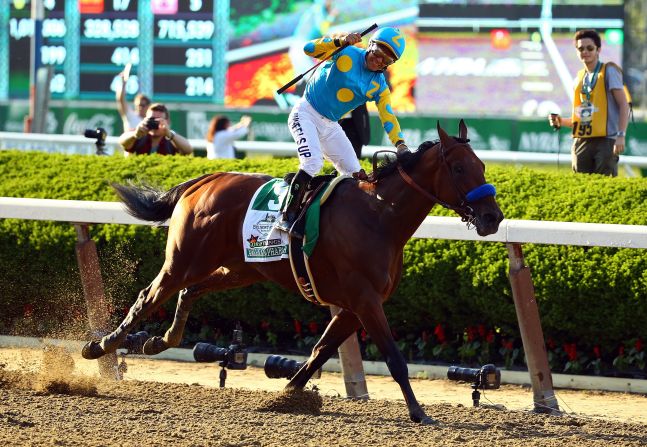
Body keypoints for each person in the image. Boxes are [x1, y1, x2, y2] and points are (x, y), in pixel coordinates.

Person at [276, 27, 409, 234]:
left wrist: (400, 144)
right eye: (378, 54)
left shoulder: (379, 86)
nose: (379, 61)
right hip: (305, 113)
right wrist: (339, 42)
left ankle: (327, 207)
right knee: (312, 162)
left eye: (387, 61)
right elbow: (308, 48)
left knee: (357, 176)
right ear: (371, 45)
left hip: (330, 125)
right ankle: (286, 215)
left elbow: (388, 116)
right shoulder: (346, 51)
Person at [548, 29, 630, 177]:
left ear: (598, 49)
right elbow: (581, 119)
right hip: (582, 141)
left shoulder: (609, 71)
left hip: (606, 141)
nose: (585, 51)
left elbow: (624, 105)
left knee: (605, 189)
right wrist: (561, 121)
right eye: (581, 48)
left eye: (589, 48)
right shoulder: (579, 78)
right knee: (581, 189)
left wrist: (621, 135)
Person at [119, 103, 193, 156]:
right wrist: (135, 134)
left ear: (167, 122)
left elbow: (188, 150)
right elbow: (122, 142)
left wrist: (170, 135)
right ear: (145, 119)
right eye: (151, 119)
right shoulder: (140, 133)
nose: (155, 123)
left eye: (159, 120)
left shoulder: (172, 138)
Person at [116, 63, 151, 132]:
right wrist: (123, 83)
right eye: (138, 105)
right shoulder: (131, 116)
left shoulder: (150, 121)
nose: (140, 107)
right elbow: (120, 100)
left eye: (142, 105)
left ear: (148, 106)